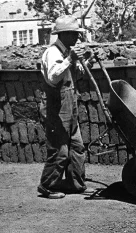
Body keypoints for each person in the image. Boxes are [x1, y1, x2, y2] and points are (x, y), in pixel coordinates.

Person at [37, 15, 94, 199]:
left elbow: (75, 75)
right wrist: (70, 59)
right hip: (56, 108)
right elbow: (54, 77)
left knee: (76, 147)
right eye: (74, 34)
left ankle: (75, 183)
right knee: (60, 150)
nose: (77, 38)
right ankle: (47, 186)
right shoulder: (52, 53)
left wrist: (85, 62)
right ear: (64, 34)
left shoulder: (68, 52)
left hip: (70, 107)